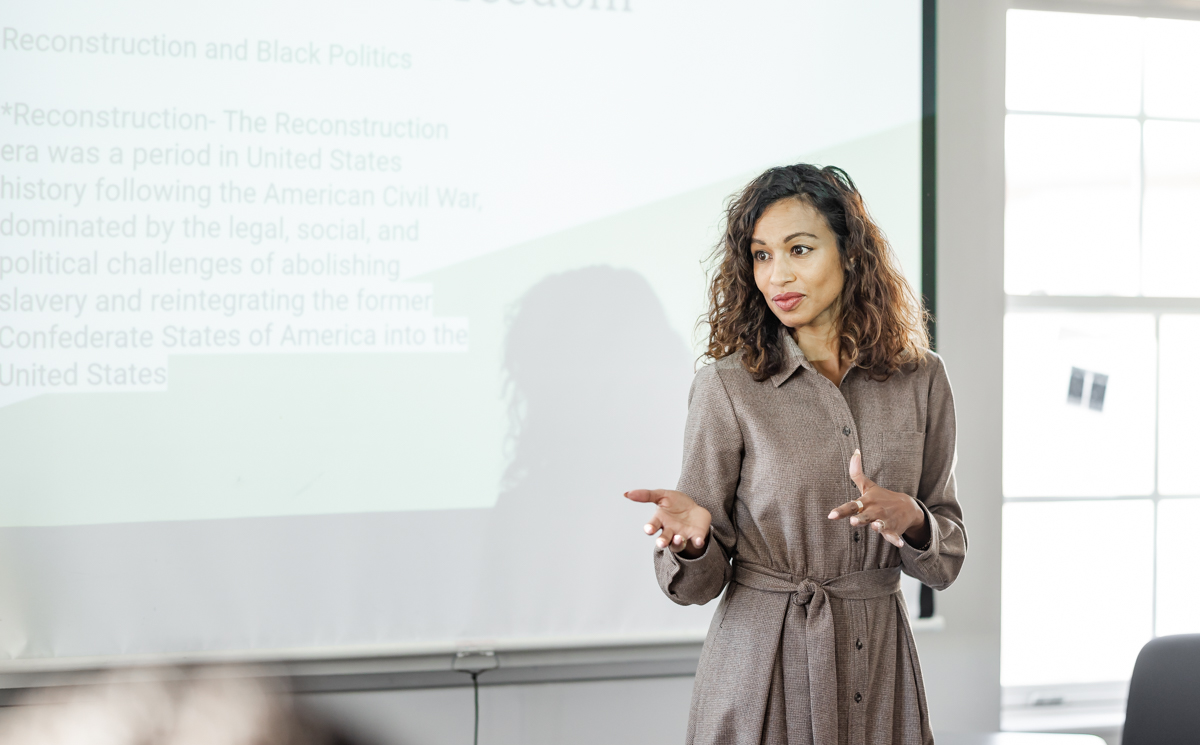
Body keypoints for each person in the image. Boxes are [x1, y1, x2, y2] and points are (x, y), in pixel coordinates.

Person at [625, 164, 966, 745]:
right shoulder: (727, 387)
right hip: (761, 673)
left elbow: (946, 558)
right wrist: (695, 542)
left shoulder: (922, 378)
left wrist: (912, 519)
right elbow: (696, 586)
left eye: (799, 249)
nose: (777, 274)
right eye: (761, 256)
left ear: (851, 253)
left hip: (879, 666)